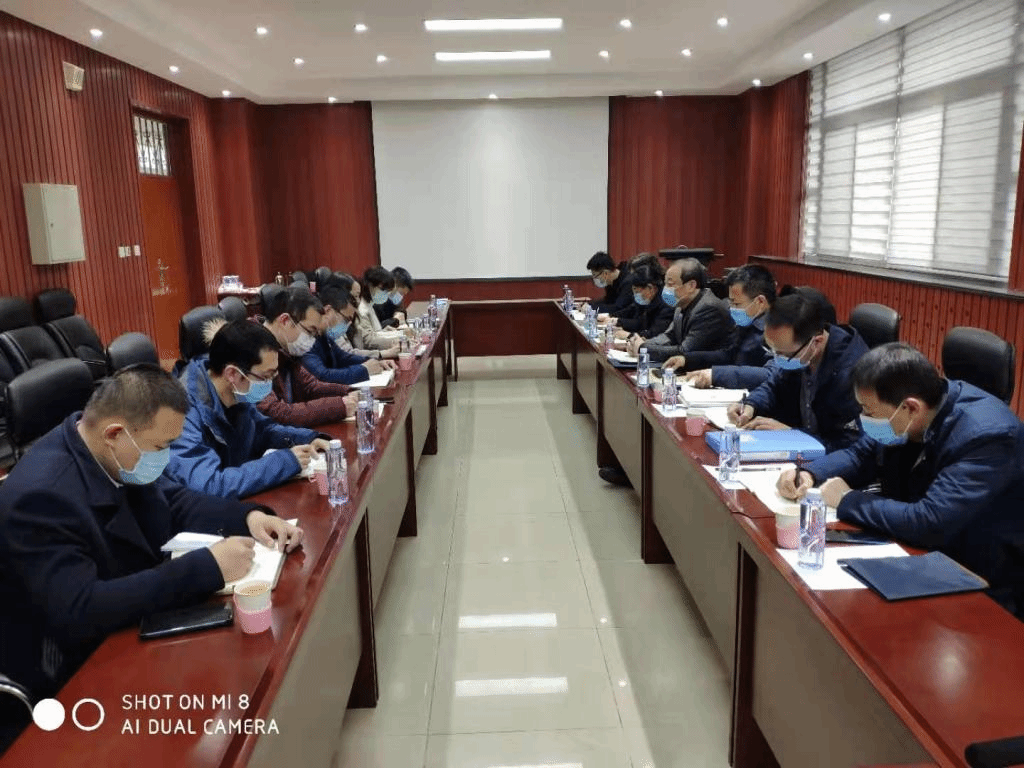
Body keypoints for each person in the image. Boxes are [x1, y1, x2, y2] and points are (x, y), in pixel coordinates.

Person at [0, 365, 302, 704]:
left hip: (131, 620)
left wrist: (248, 517)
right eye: (161, 446)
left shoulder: (109, 450)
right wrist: (208, 567)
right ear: (114, 434)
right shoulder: (39, 498)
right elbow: (82, 609)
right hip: (73, 672)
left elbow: (173, 500)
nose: (165, 457)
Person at [777, 343, 1024, 616]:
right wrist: (809, 473)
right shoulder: (911, 412)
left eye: (869, 412)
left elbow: (930, 521)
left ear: (911, 408)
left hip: (979, 578)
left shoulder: (988, 436)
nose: (863, 419)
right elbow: (861, 455)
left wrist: (846, 499)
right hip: (916, 553)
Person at [166, 320, 330, 498]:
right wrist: (285, 461)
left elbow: (262, 430)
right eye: (265, 377)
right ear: (232, 374)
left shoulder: (235, 389)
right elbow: (210, 484)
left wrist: (307, 439)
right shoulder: (180, 410)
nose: (269, 384)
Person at [727, 293, 867, 451]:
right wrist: (751, 404)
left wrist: (793, 435)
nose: (777, 359)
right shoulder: (800, 351)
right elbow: (775, 384)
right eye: (771, 350)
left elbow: (850, 445)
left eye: (783, 354)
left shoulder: (851, 374)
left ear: (816, 342)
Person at [250, 287, 358, 427]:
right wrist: (339, 406)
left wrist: (350, 392)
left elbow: (311, 387)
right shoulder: (251, 348)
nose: (312, 340)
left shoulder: (286, 351)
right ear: (285, 321)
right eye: (310, 331)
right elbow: (275, 412)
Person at [671, 264, 777, 389]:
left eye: (736, 304)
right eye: (730, 302)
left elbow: (771, 374)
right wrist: (687, 360)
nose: (732, 308)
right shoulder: (749, 322)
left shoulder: (780, 329)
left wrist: (716, 375)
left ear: (760, 302)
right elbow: (730, 355)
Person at [630, 258, 732, 363]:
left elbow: (685, 351)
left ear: (691, 285)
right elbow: (669, 336)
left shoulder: (709, 308)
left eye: (670, 284)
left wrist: (644, 348)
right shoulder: (681, 304)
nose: (665, 289)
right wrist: (640, 344)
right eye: (665, 284)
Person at [303, 286, 388, 385]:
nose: (347, 325)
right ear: (328, 311)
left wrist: (374, 362)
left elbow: (343, 358)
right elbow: (323, 376)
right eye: (346, 319)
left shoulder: (324, 335)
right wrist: (364, 370)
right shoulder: (305, 337)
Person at [611, 265, 675, 341]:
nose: (635, 295)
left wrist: (628, 335)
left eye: (637, 291)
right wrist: (616, 320)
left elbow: (654, 334)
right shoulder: (648, 299)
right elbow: (638, 320)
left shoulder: (667, 305)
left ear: (650, 288)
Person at [355, 266, 405, 350]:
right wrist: (401, 339)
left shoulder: (369, 304)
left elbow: (374, 333)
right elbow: (369, 342)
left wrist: (384, 332)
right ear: (371, 285)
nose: (386, 294)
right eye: (383, 290)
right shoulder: (362, 308)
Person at [585, 251, 635, 316]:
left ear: (605, 273)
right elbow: (608, 301)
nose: (594, 279)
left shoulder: (628, 282)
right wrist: (589, 305)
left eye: (595, 276)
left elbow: (617, 308)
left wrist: (591, 308)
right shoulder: (610, 282)